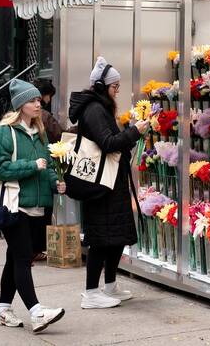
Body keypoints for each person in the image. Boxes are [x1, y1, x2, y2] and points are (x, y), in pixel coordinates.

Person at [0, 78, 67, 333]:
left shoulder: (39, 132)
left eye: (37, 100)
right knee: (22, 258)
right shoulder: (4, 132)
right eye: (32, 100)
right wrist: (29, 167)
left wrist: (56, 183)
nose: (38, 103)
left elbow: (47, 165)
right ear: (20, 105)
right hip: (14, 206)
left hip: (38, 206)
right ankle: (37, 312)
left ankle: (3, 309)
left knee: (15, 258)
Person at [68, 56, 149, 309]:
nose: (117, 91)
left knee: (116, 236)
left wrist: (131, 132)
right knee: (101, 239)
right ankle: (91, 293)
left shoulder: (99, 108)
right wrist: (134, 131)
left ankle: (110, 285)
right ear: (102, 86)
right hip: (101, 185)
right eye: (115, 87)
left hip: (111, 183)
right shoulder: (94, 110)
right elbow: (107, 143)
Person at [31, 79, 64, 263]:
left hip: (35, 168)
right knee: (43, 211)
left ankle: (31, 249)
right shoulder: (44, 116)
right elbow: (60, 135)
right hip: (43, 167)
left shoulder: (24, 116)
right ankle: (36, 248)